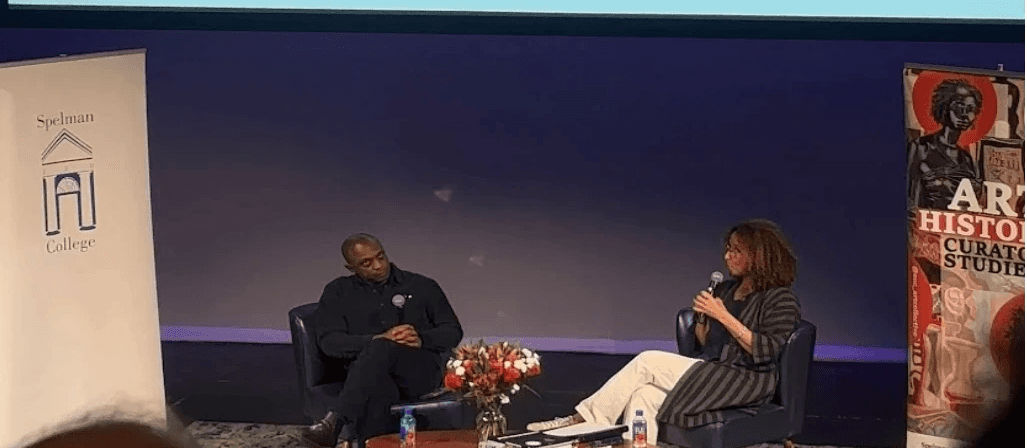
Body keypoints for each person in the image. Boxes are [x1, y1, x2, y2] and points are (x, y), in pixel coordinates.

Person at [526, 219, 801, 442]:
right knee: (643, 395)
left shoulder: (780, 299)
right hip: (713, 370)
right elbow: (707, 345)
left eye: (736, 251)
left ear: (758, 256)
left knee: (648, 361)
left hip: (745, 379)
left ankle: (584, 420)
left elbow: (766, 349)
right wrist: (704, 319)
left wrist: (723, 315)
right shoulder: (728, 290)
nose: (727, 256)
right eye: (728, 249)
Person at [299, 233, 464, 448]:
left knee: (380, 354)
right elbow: (330, 342)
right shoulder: (338, 292)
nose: (378, 266)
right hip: (367, 377)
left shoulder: (422, 285)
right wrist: (377, 339)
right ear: (351, 267)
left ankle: (336, 419)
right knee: (377, 384)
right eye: (366, 263)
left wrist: (421, 338)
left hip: (419, 373)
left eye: (380, 257)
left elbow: (453, 331)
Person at [907, 78, 984, 212]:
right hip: (926, 220)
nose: (964, 115)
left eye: (970, 109)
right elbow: (909, 195)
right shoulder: (921, 147)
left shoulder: (966, 159)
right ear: (945, 107)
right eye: (959, 107)